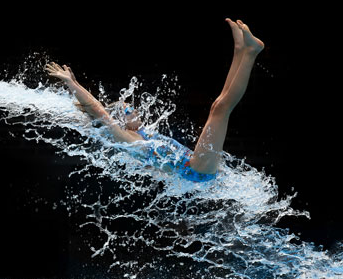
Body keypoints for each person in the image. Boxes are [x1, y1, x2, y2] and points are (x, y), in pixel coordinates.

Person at [44, 18, 264, 182]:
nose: (134, 110)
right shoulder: (127, 139)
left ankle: (240, 50)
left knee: (219, 105)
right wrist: (72, 85)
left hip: (195, 164)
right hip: (195, 171)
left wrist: (76, 84)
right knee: (220, 109)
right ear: (120, 121)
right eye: (128, 109)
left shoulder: (139, 133)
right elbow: (98, 111)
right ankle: (251, 53)